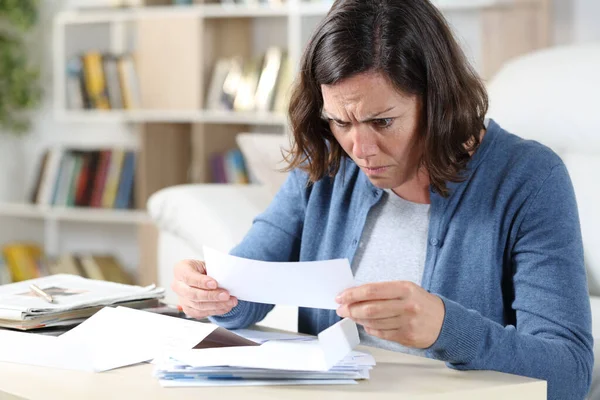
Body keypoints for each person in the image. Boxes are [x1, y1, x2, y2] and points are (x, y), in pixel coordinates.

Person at [171, 0, 593, 398]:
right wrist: (209, 291)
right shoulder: (327, 164)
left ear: (437, 100)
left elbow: (569, 374)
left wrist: (444, 328)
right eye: (340, 121)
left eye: (382, 121)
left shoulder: (529, 178)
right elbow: (245, 290)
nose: (360, 148)